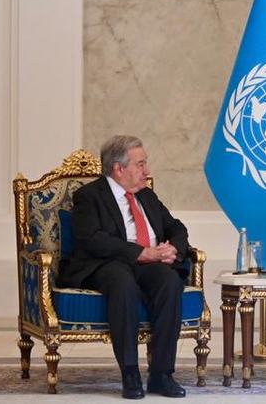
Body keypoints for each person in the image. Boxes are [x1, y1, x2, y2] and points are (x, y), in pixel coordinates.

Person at [59, 135, 190, 399]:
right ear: (119, 169)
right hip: (107, 264)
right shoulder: (89, 196)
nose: (147, 171)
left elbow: (176, 226)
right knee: (122, 282)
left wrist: (172, 248)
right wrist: (142, 252)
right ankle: (130, 372)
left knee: (169, 281)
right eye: (140, 164)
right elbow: (93, 239)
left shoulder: (147, 195)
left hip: (149, 263)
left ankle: (161, 374)